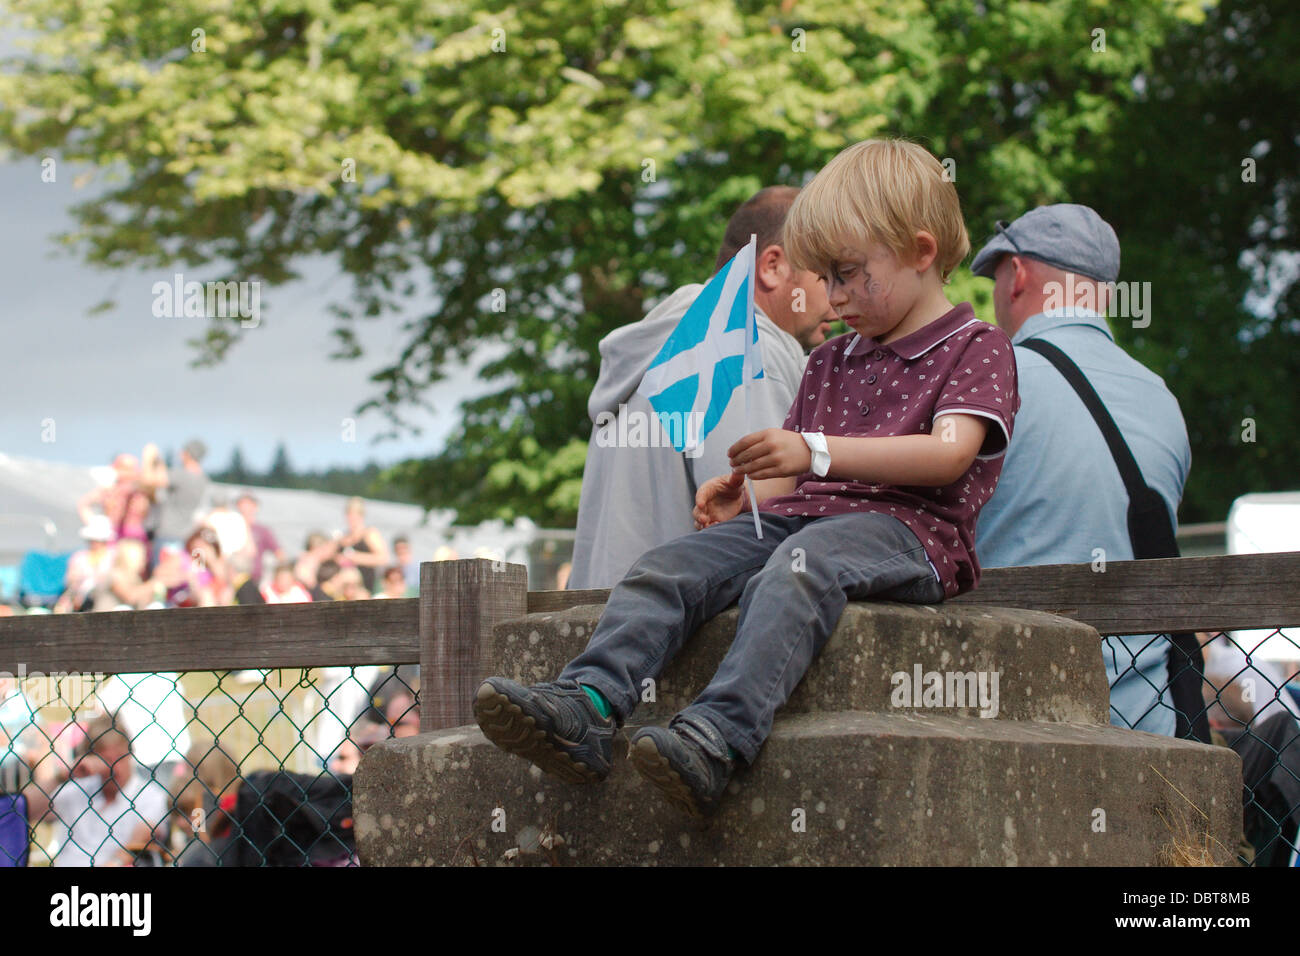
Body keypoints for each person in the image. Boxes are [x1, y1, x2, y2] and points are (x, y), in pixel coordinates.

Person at [475, 139, 1019, 817]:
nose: (837, 297)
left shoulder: (975, 347)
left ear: (920, 250)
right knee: (671, 563)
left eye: (849, 274)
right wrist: (748, 498)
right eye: (827, 277)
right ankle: (586, 703)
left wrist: (814, 452)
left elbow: (947, 455)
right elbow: (800, 486)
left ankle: (719, 737)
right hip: (810, 522)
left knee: (797, 565)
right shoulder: (830, 361)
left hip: (911, 534)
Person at [970, 204, 1192, 737]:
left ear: (1018, 274)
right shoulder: (1162, 399)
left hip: (1010, 722)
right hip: (1148, 733)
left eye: (998, 276)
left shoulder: (987, 381)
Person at [567, 186, 837, 590]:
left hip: (611, 628)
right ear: (772, 266)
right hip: (674, 636)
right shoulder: (740, 346)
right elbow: (760, 532)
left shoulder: (668, 343)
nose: (837, 298)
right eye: (825, 274)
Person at [24, 719, 172, 866]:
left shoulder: (150, 796)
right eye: (107, 760)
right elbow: (23, 808)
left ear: (130, 754)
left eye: (120, 758)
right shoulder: (80, 789)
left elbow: (139, 842)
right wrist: (64, 775)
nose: (116, 767)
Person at [143, 440, 210, 563]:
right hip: (187, 536)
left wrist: (148, 457)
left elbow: (149, 480)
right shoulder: (203, 479)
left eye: (183, 452)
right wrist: (159, 461)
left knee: (162, 577)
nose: (180, 454)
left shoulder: (181, 475)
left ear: (188, 454)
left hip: (168, 535)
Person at [53, 515, 116, 613]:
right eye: (92, 539)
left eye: (98, 540)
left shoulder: (113, 556)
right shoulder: (79, 557)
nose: (94, 543)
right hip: (78, 598)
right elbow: (69, 581)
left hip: (102, 599)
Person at [336, 498, 389, 593]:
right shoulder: (344, 536)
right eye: (349, 515)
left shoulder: (369, 534)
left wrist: (354, 557)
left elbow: (382, 558)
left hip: (364, 587)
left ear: (361, 516)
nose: (351, 518)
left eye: (354, 515)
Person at [235, 492, 284, 586]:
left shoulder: (262, 530)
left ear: (255, 507)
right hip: (235, 577)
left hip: (256, 579)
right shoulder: (231, 528)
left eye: (247, 505)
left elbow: (279, 553)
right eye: (241, 505)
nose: (244, 509)